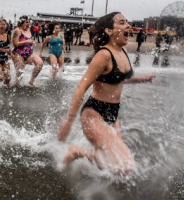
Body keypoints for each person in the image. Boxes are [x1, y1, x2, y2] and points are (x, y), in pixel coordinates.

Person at [57, 12, 155, 175]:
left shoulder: (122, 52)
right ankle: (77, 152)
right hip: (94, 113)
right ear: (109, 31)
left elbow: (116, 78)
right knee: (124, 166)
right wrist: (69, 122)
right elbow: (81, 87)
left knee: (120, 165)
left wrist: (139, 79)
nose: (128, 26)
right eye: (122, 22)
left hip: (113, 114)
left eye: (127, 22)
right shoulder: (104, 55)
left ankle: (86, 155)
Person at [12, 15, 43, 88]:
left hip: (29, 54)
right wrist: (26, 41)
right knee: (19, 74)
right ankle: (15, 87)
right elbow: (15, 44)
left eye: (29, 22)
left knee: (39, 63)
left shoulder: (29, 30)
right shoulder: (17, 30)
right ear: (21, 22)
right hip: (18, 54)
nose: (28, 24)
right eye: (26, 22)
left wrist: (31, 42)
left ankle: (31, 81)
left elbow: (29, 42)